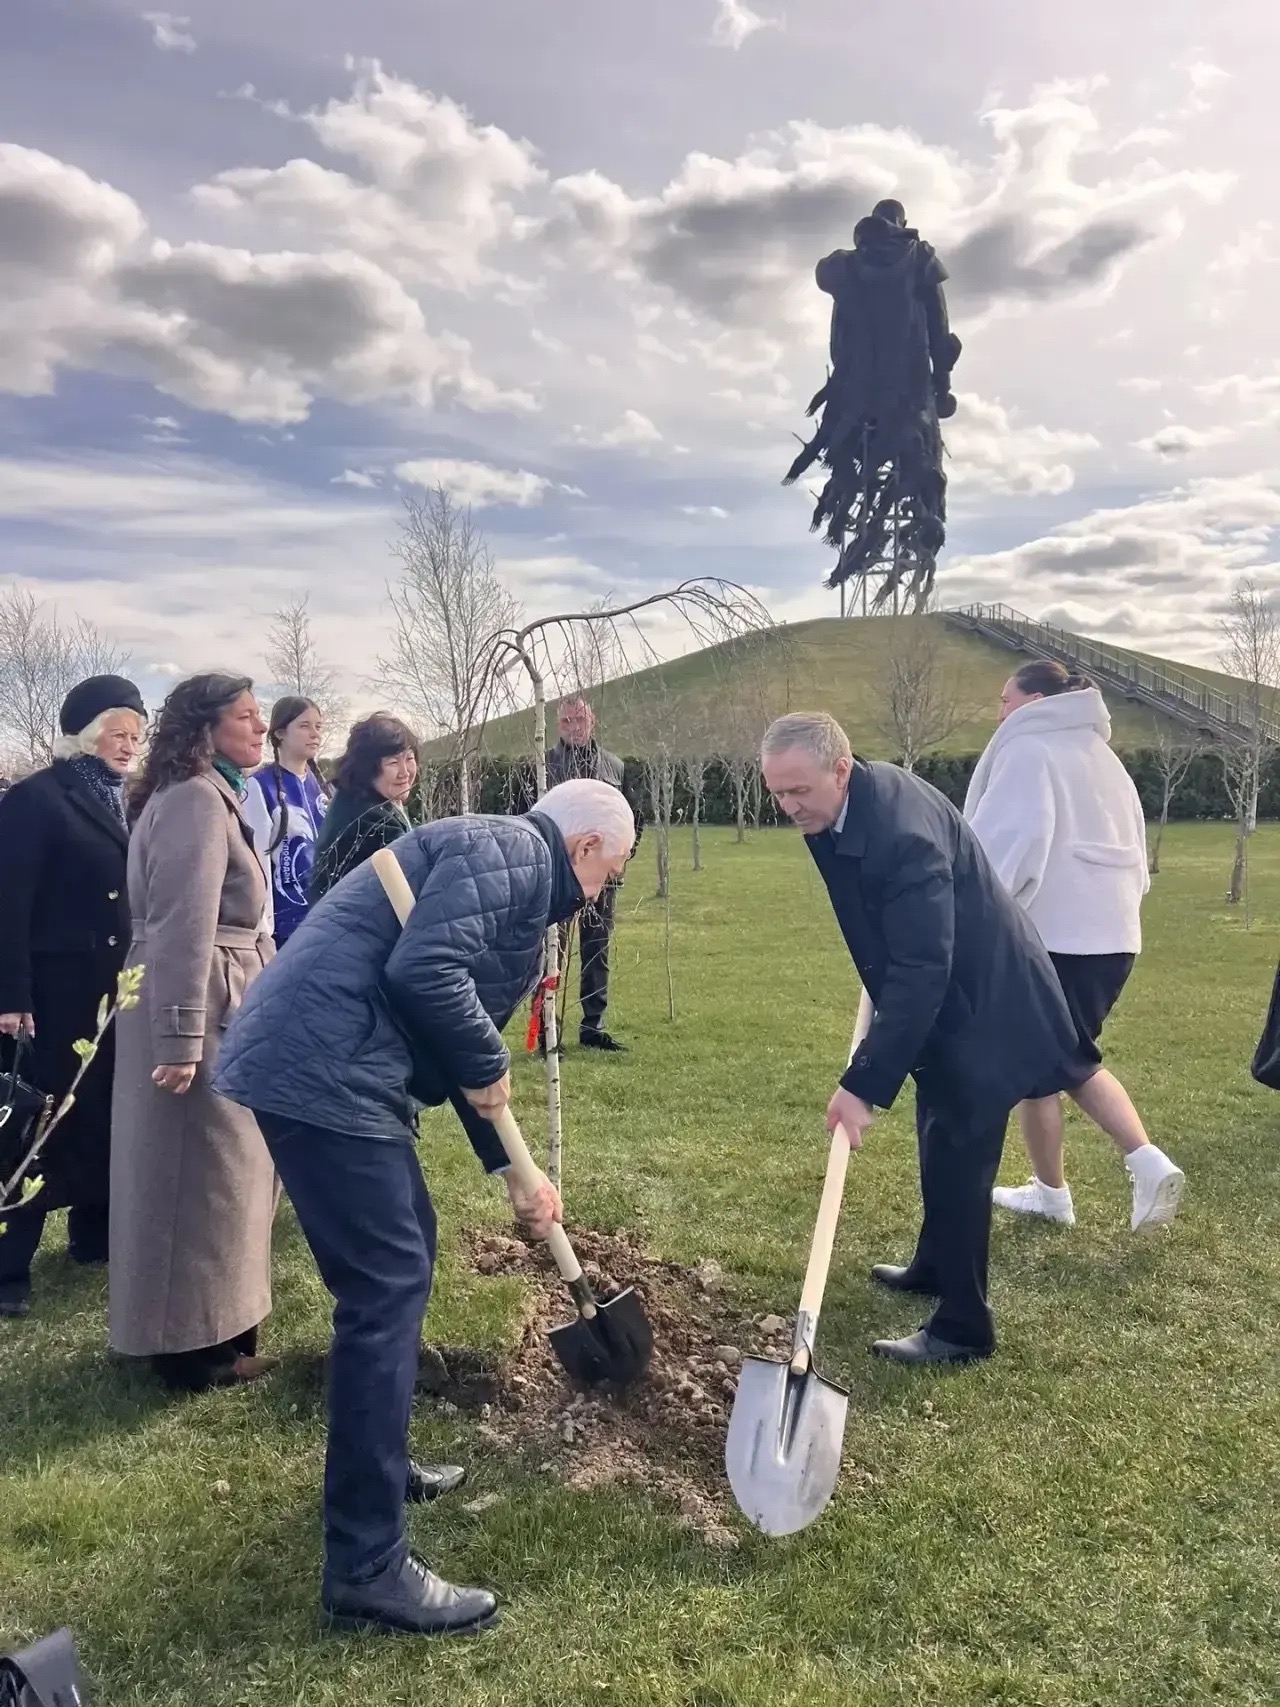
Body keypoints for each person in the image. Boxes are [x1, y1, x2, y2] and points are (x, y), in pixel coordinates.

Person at [214, 778, 636, 1636]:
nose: (602, 893)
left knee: (407, 1251)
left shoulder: (503, 861)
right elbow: (426, 974)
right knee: (386, 1284)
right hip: (326, 1067)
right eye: (611, 872)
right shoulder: (516, 854)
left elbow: (455, 1038)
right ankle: (367, 1565)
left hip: (322, 1059)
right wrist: (489, 1062)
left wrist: (513, 1170)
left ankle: (384, 1459)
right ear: (587, 847)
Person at [760, 712, 1101, 1367]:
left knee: (959, 1156)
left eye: (798, 789)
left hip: (986, 1005)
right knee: (935, 1131)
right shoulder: (839, 809)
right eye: (777, 791)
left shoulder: (900, 833)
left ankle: (963, 1325)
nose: (787, 805)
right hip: (948, 996)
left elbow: (925, 967)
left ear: (841, 766)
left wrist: (863, 1084)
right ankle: (933, 1263)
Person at [964, 660, 1185, 1231]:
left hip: (1053, 940)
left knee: (1066, 1057)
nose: (1000, 713)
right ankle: (1050, 1193)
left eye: (1006, 700)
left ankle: (1146, 1159)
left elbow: (1001, 854)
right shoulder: (1103, 758)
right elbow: (1136, 853)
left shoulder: (1028, 753)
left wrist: (963, 915)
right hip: (1112, 939)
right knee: (1035, 1067)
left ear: (1036, 700)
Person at [109, 674, 278, 1392]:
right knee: (197, 1177)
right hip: (200, 1002)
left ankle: (218, 1330)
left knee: (220, 1175)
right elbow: (183, 922)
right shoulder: (194, 802)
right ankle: (192, 1349)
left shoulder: (204, 793)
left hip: (215, 995)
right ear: (205, 730)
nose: (260, 725)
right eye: (245, 716)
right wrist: (179, 1036)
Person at [0, 677, 147, 1318]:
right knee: (40, 1123)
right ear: (86, 735)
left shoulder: (129, 801)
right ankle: (7, 1268)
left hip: (112, 991)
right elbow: (8, 904)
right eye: (120, 733)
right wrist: (10, 995)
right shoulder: (37, 800)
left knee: (104, 1114)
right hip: (52, 993)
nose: (129, 746)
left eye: (137, 735)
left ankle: (94, 1236)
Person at [545, 697, 638, 1051]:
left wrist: (620, 859)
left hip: (604, 876)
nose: (574, 726)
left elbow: (633, 818)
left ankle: (594, 1027)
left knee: (597, 950)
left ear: (592, 719)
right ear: (558, 726)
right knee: (554, 952)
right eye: (566, 721)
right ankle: (547, 1031)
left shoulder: (614, 766)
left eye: (579, 719)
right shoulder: (543, 765)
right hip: (558, 876)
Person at [243, 697, 331, 947]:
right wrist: (263, 930)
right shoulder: (260, 786)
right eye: (304, 726)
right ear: (280, 732)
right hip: (285, 926)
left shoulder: (323, 789)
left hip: (327, 919)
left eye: (318, 726)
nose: (314, 734)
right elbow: (256, 863)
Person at [309, 713, 417, 904]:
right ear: (368, 768)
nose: (405, 772)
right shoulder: (375, 822)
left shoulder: (354, 799)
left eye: (409, 758)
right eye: (393, 762)